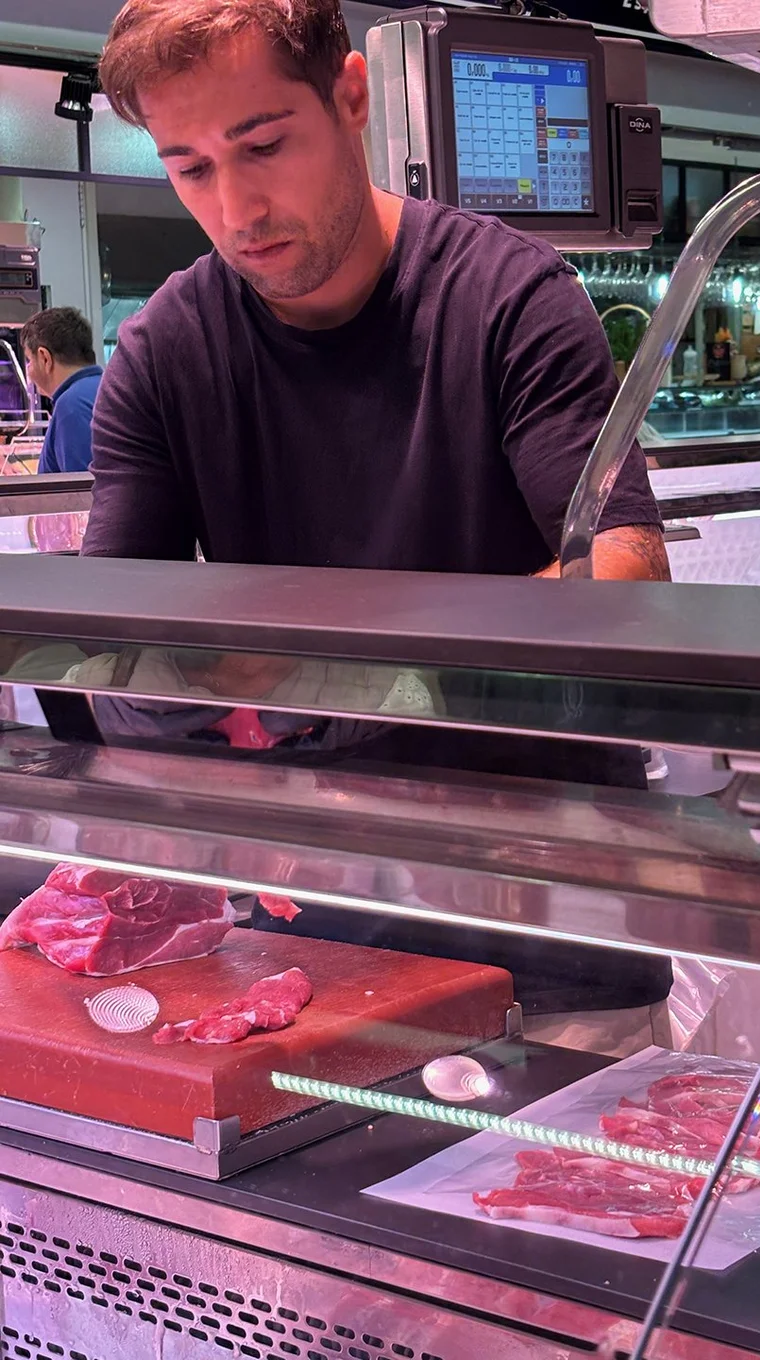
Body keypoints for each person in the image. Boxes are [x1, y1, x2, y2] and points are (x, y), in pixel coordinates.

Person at [83, 0, 672, 1053]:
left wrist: (319, 680)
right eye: (192, 168)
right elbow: (110, 650)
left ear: (349, 97)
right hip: (307, 951)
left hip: (551, 945)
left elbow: (623, 576)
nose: (236, 206)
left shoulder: (510, 297)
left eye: (265, 146)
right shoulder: (165, 349)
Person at [22, 308, 103, 473]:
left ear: (45, 358)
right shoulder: (104, 387)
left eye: (29, 360)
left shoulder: (71, 405)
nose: (28, 370)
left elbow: (82, 486)